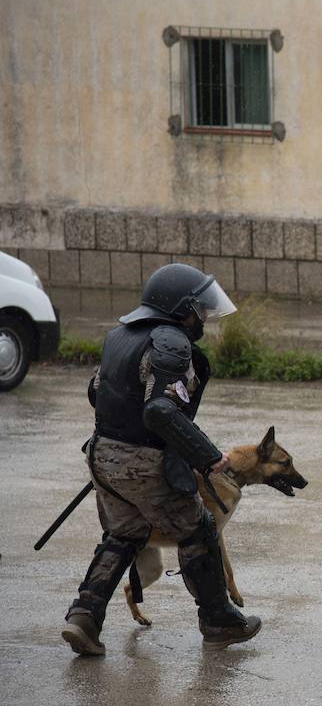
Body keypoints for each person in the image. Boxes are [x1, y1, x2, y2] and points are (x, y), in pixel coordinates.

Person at [61, 263, 254, 656]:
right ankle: (219, 622)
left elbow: (97, 392)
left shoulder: (119, 336)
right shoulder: (172, 342)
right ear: (182, 308)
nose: (203, 316)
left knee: (124, 534)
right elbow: (160, 410)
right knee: (198, 528)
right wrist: (207, 454)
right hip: (144, 461)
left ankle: (83, 617)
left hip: (101, 454)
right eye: (199, 308)